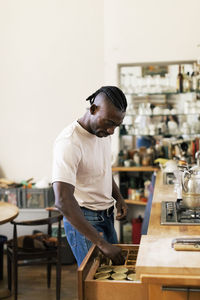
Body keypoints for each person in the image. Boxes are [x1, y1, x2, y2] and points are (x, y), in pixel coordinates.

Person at [52, 86, 128, 267]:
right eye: (109, 123)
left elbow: (103, 170)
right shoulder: (69, 142)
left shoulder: (102, 134)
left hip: (106, 216)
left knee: (111, 277)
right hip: (84, 220)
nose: (111, 131)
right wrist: (101, 243)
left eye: (116, 126)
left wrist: (119, 198)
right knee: (93, 283)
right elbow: (62, 200)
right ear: (93, 109)